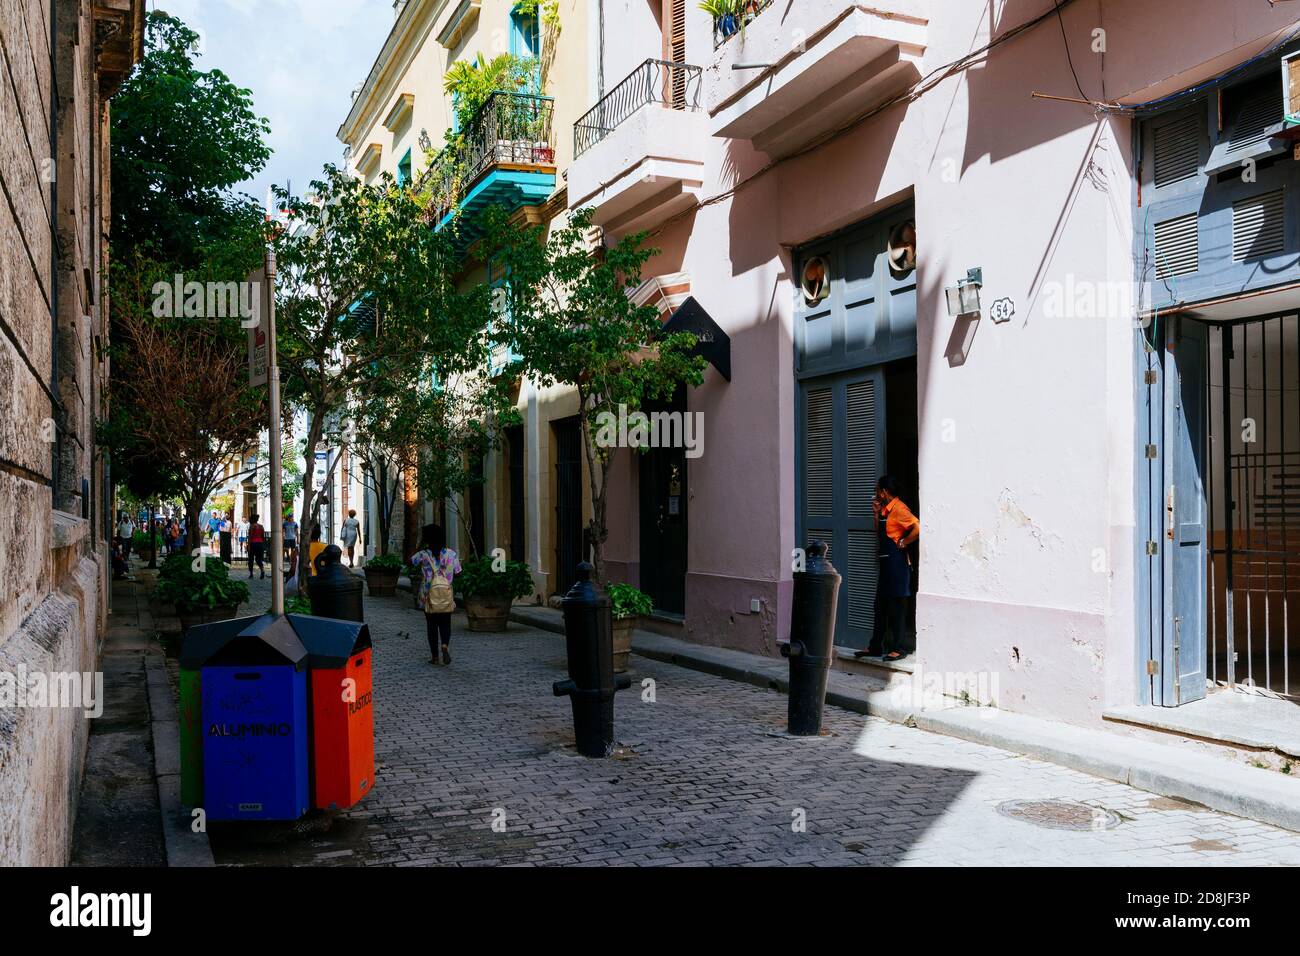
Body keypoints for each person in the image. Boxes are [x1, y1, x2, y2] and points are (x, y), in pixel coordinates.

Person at [856, 474, 920, 662]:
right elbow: (881, 533)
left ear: (884, 492)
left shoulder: (900, 509)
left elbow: (917, 527)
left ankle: (899, 648)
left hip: (898, 565)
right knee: (880, 606)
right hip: (886, 564)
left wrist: (904, 542)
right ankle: (875, 646)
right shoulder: (886, 509)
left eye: (877, 490)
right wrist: (876, 513)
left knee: (897, 607)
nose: (876, 493)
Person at [410, 524, 461, 666]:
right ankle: (444, 645)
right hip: (446, 594)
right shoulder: (451, 554)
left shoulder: (423, 554)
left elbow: (409, 562)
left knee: (431, 625)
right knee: (446, 623)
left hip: (428, 595)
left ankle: (434, 657)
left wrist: (419, 545)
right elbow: (458, 572)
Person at [247, 513, 267, 579]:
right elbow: (263, 536)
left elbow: (250, 537)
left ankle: (251, 573)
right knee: (259, 559)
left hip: (253, 544)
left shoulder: (252, 526)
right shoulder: (261, 526)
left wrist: (249, 545)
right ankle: (262, 570)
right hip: (260, 543)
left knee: (251, 559)